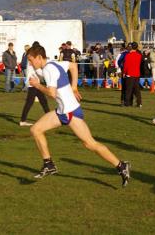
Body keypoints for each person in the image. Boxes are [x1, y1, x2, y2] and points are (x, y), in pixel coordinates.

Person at [26, 45, 130, 186]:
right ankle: (48, 164)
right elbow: (74, 66)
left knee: (90, 143)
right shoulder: (54, 64)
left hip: (69, 112)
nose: (30, 63)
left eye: (31, 60)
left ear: (39, 57)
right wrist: (74, 87)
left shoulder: (49, 69)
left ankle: (121, 165)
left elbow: (52, 93)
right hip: (63, 111)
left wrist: (37, 85)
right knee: (35, 129)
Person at [20, 42, 50, 127]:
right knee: (31, 102)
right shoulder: (33, 58)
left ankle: (49, 118)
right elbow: (36, 71)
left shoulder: (31, 56)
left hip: (35, 82)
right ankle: (22, 120)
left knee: (42, 101)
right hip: (33, 82)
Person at [123, 42, 142, 107]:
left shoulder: (128, 55)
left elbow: (126, 65)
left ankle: (127, 103)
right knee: (137, 90)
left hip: (129, 74)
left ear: (131, 47)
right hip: (137, 74)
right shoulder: (139, 55)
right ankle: (139, 103)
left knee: (128, 89)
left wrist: (124, 73)